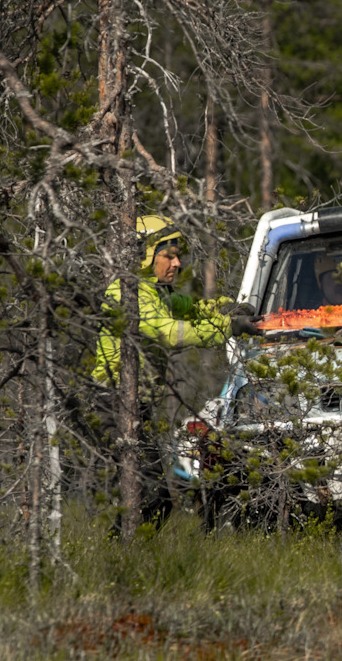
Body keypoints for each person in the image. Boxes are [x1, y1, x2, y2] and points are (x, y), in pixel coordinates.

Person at [93, 216, 259, 523]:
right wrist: (227, 327)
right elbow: (168, 331)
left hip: (134, 405)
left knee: (155, 498)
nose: (177, 263)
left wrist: (223, 307)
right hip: (111, 403)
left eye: (177, 255)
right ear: (144, 256)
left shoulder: (156, 292)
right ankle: (118, 555)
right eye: (168, 256)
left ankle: (125, 554)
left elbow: (190, 306)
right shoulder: (125, 292)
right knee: (153, 495)